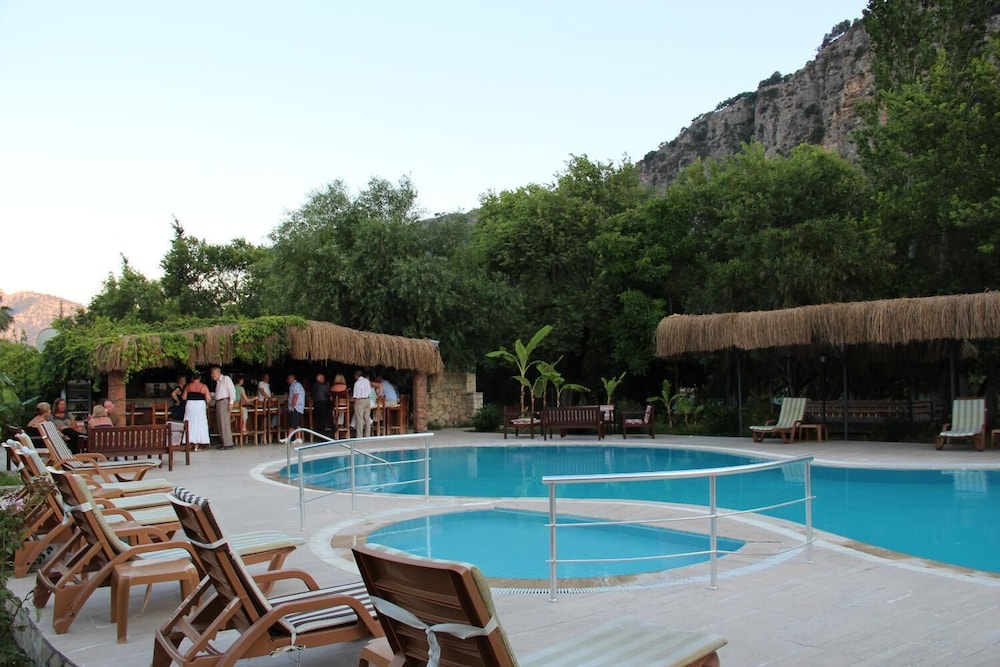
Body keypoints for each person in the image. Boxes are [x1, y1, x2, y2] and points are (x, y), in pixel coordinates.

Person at [182, 373, 212, 452]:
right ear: (200, 378)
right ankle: (196, 446)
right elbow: (208, 399)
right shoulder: (204, 386)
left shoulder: (188, 386)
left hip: (190, 404)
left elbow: (184, 397)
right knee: (200, 423)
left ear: (192, 378)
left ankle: (189, 443)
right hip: (200, 405)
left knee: (190, 423)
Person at [211, 366, 236, 450]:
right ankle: (223, 442)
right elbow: (220, 393)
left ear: (218, 372)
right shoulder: (218, 382)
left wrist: (231, 402)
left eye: (213, 373)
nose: (212, 375)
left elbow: (232, 391)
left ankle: (228, 443)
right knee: (220, 423)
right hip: (219, 402)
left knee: (224, 423)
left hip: (224, 402)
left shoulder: (226, 379)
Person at [282, 373, 305, 444]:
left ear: (292, 378)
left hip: (296, 407)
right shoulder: (293, 385)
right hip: (297, 407)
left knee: (292, 423)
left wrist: (293, 406)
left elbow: (296, 396)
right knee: (297, 423)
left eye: (288, 379)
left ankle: (288, 438)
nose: (287, 381)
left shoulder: (296, 385)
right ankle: (299, 438)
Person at [352, 369, 372, 438]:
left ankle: (359, 436)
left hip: (360, 400)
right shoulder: (367, 381)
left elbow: (356, 395)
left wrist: (355, 404)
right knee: (367, 418)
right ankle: (367, 435)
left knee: (359, 419)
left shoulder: (357, 383)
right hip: (367, 399)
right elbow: (369, 391)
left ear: (356, 375)